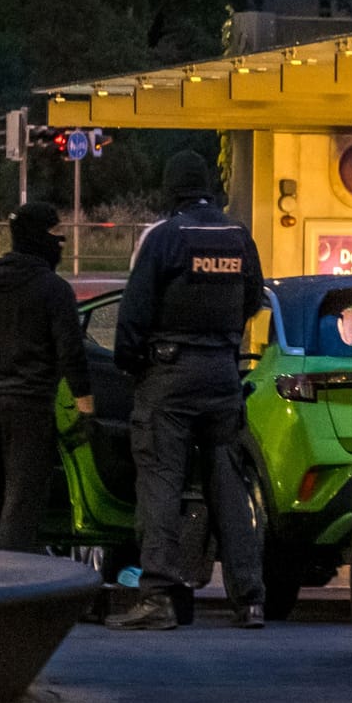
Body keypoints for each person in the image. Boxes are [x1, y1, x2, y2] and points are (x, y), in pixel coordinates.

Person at [107, 150, 268, 630]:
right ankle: (251, 598)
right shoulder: (239, 236)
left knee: (160, 480)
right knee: (227, 484)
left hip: (169, 376)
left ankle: (157, 595)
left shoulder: (164, 238)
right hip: (222, 373)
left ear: (170, 189)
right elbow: (254, 298)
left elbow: (133, 316)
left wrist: (134, 365)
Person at [0, 201, 94, 552]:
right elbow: (71, 353)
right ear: (38, 236)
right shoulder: (53, 289)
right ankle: (11, 586)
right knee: (21, 504)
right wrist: (85, 409)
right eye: (56, 234)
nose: (61, 242)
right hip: (29, 410)